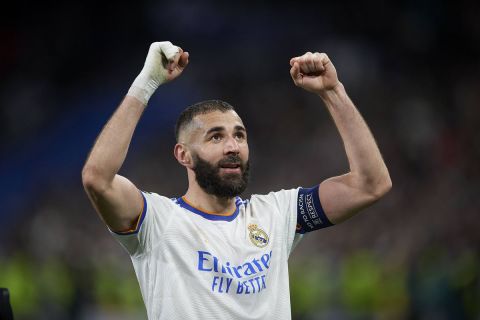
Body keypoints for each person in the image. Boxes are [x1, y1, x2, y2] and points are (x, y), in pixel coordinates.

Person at [82, 41, 392, 319]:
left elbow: (370, 184)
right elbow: (98, 178)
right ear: (183, 155)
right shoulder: (157, 222)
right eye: (216, 136)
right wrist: (146, 83)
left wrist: (333, 92)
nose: (233, 146)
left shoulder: (277, 215)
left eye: (239, 135)